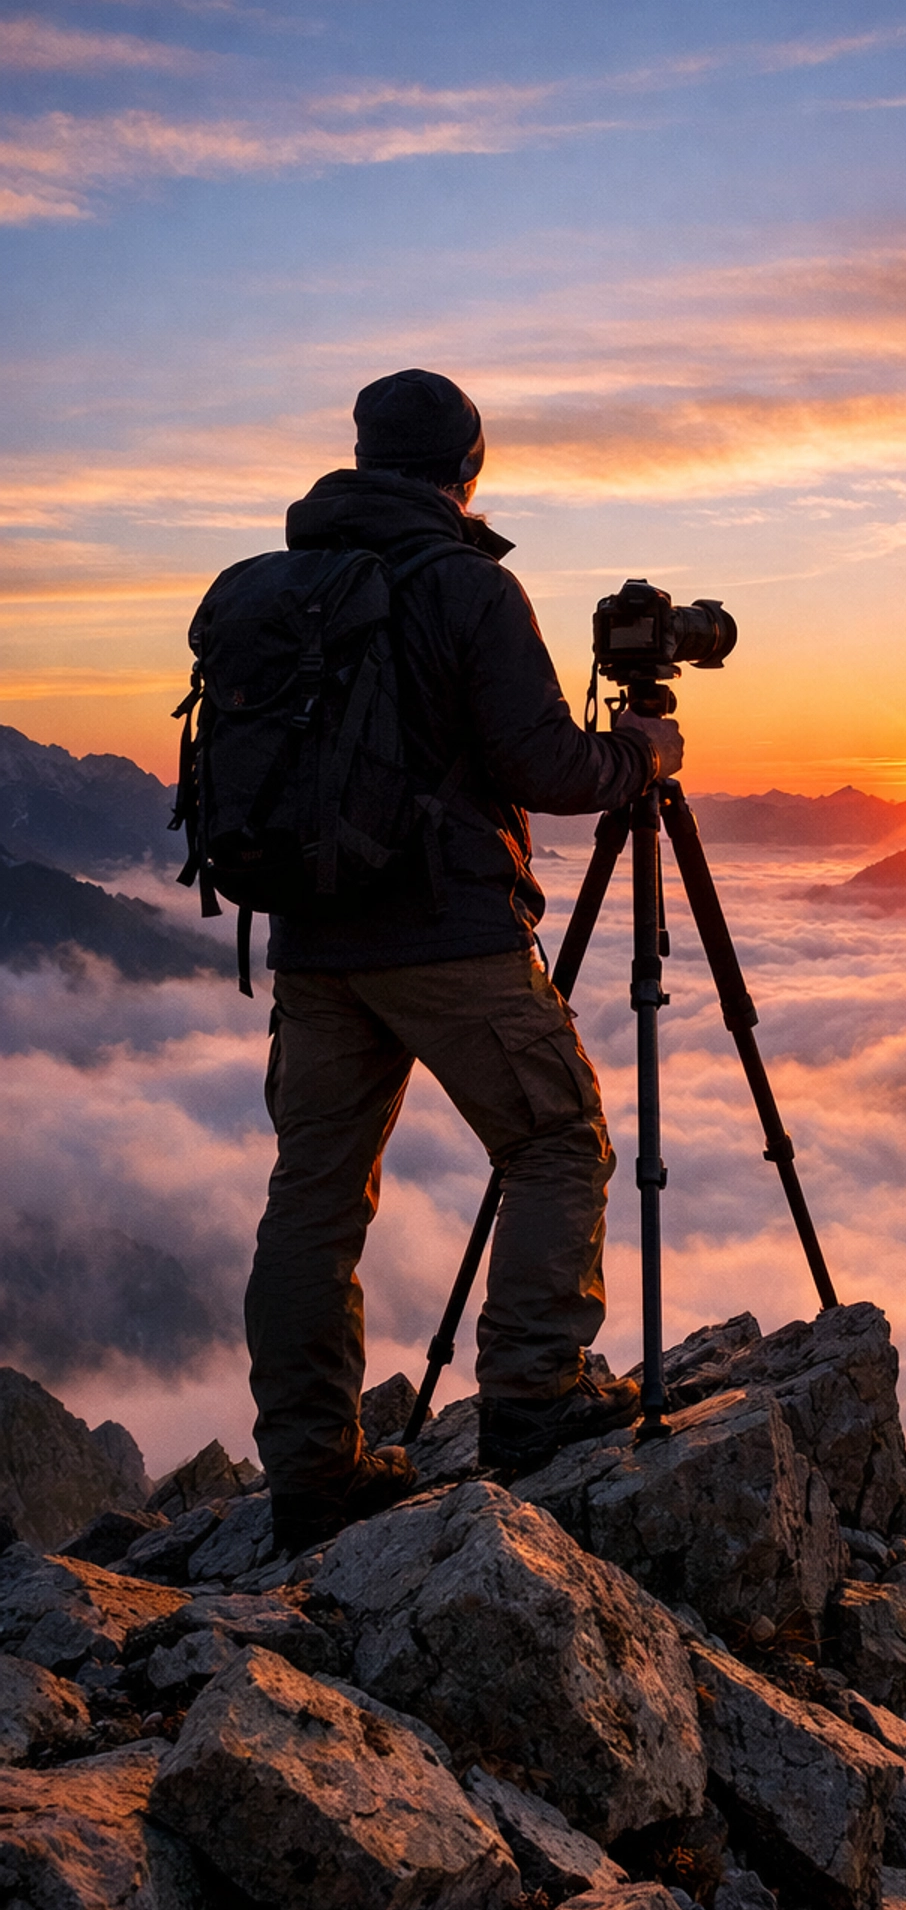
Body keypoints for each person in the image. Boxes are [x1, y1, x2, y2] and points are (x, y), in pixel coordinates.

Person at [242, 369, 682, 1557]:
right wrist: (639, 755)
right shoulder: (465, 585)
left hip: (316, 940)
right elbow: (545, 764)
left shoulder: (293, 582)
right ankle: (534, 1397)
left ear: (363, 457)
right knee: (555, 1138)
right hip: (447, 931)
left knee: (314, 1200)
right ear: (466, 467)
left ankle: (311, 1474)